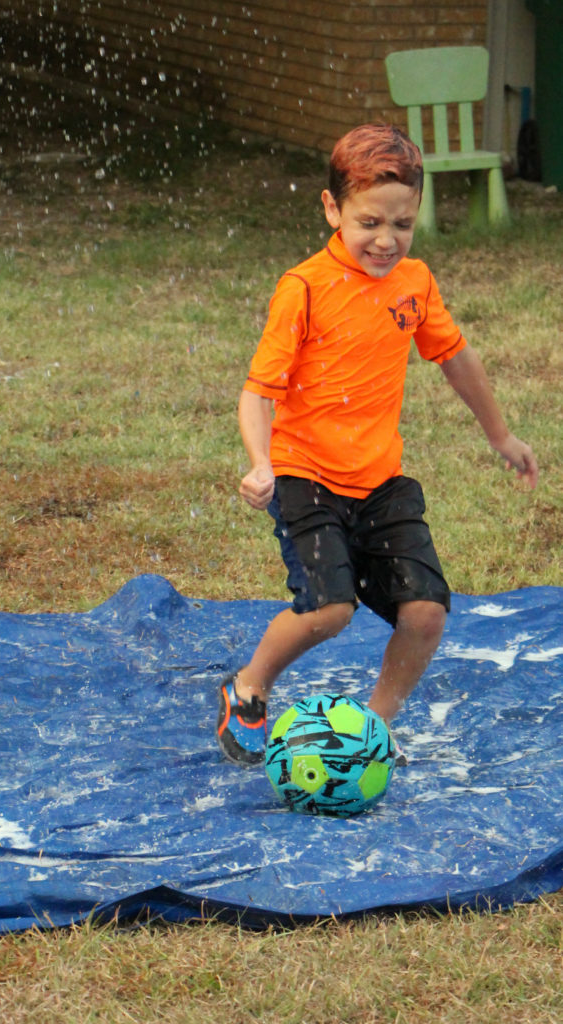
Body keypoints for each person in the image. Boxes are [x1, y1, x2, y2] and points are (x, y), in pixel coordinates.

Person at [217, 123, 538, 766]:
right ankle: (248, 690)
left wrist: (499, 433)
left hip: (380, 480)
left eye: (403, 224)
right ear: (332, 208)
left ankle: (372, 732)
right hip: (305, 476)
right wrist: (260, 465)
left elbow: (455, 357)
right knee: (330, 610)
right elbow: (258, 391)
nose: (386, 241)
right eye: (369, 222)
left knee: (425, 614)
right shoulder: (304, 288)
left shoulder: (414, 283)